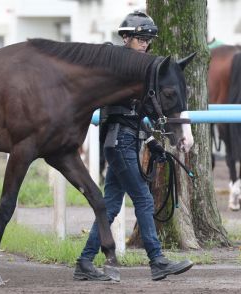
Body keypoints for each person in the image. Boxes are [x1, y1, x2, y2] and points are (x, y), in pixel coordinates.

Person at [73, 11, 193, 282]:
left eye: (148, 41)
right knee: (143, 198)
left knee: (112, 205)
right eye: (140, 39)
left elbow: (135, 113)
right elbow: (119, 113)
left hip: (125, 140)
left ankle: (84, 261)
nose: (145, 45)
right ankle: (157, 260)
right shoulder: (117, 67)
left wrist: (151, 140)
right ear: (125, 38)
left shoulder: (136, 70)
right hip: (120, 142)